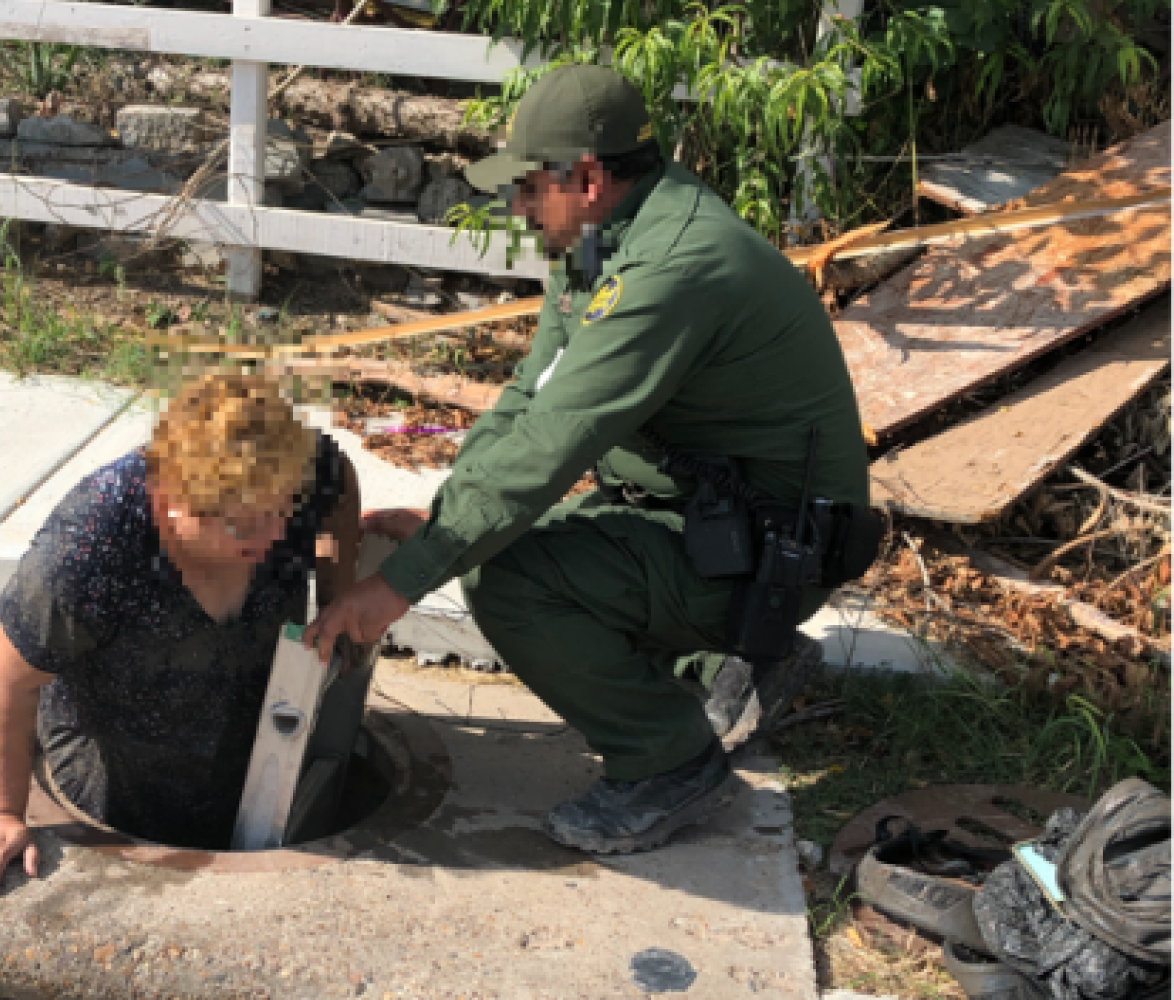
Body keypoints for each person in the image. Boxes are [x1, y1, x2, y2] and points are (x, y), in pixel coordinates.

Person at [304, 65, 871, 854]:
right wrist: (444, 521)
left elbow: (551, 445)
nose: (519, 206)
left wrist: (404, 583)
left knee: (510, 579)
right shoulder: (610, 241)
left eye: (531, 187)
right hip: (718, 522)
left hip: (770, 552)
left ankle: (669, 764)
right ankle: (720, 668)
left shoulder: (668, 270)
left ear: (591, 177)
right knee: (508, 538)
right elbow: (526, 404)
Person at [0, 370, 360, 900]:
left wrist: (337, 589)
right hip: (120, 772)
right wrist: (0, 812)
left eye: (284, 510)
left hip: (249, 732)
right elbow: (9, 678)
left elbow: (338, 478)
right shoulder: (93, 543)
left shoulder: (292, 477)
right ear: (170, 502)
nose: (276, 534)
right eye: (244, 523)